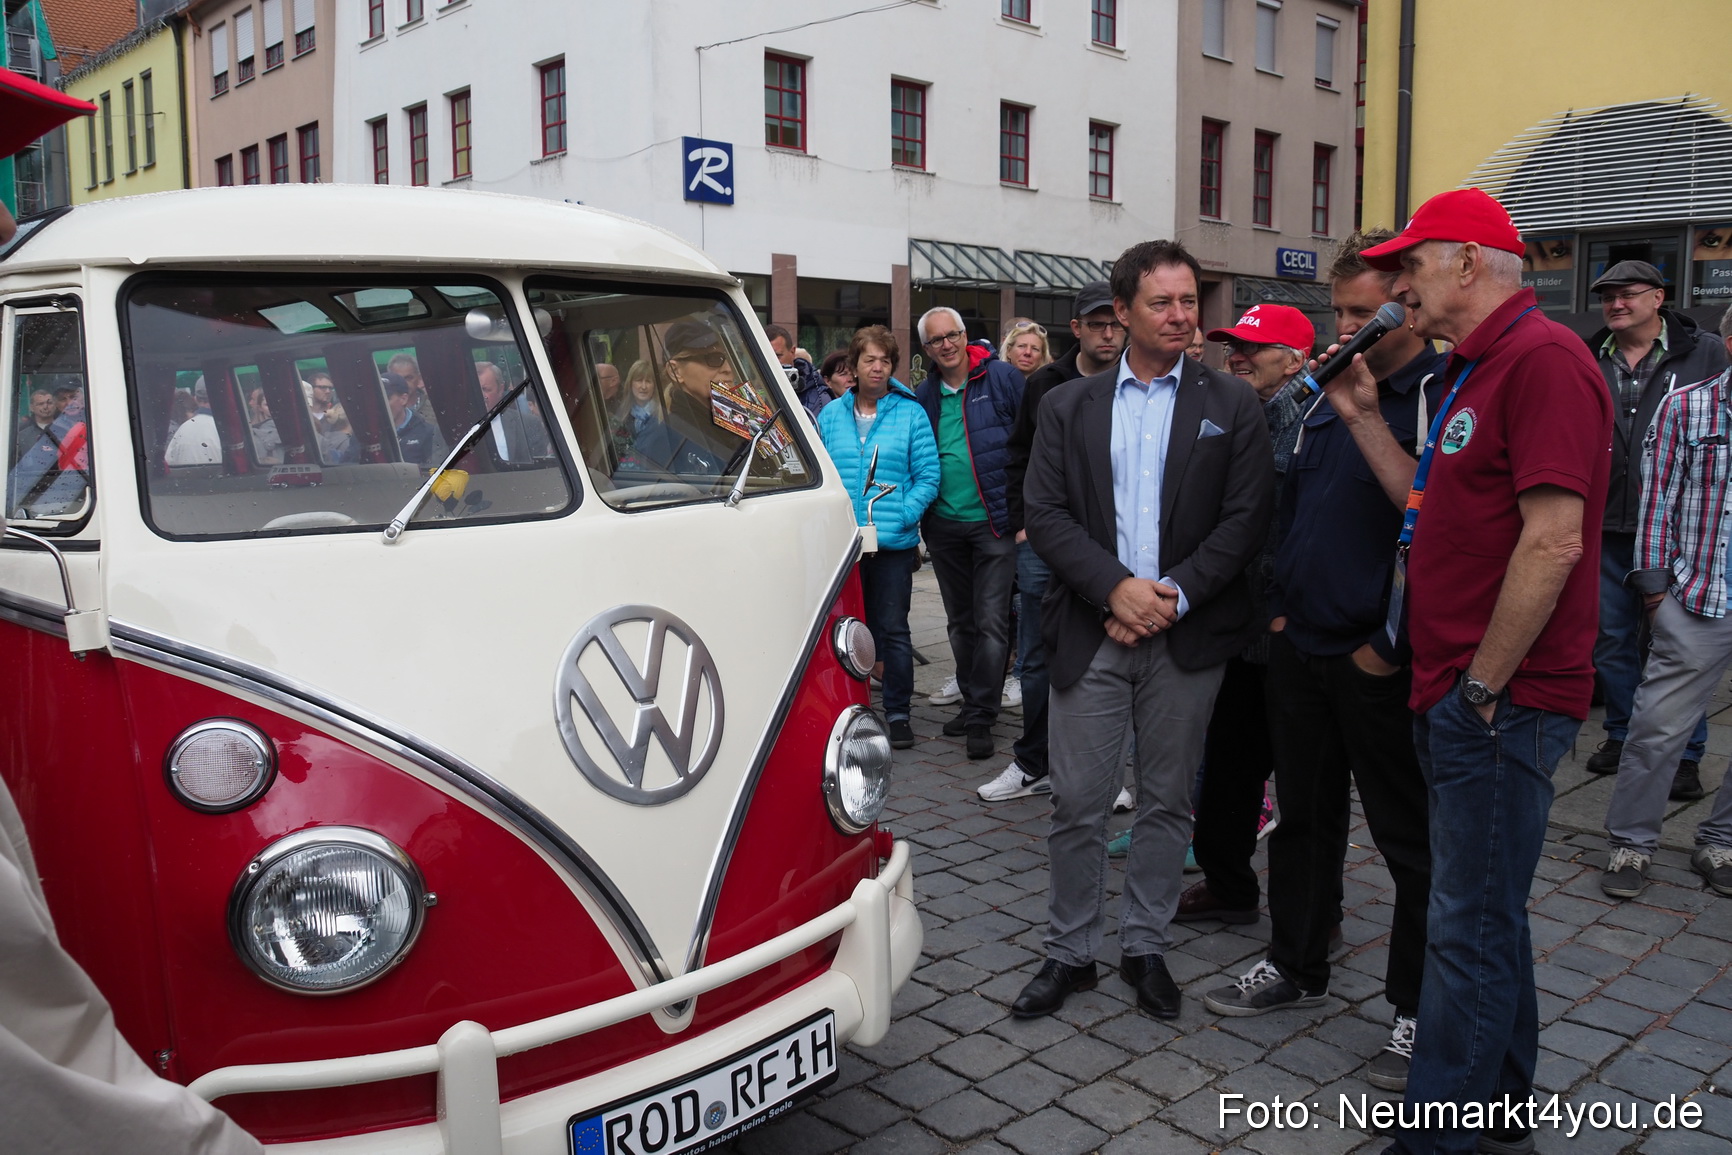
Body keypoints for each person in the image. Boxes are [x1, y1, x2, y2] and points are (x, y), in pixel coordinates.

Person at [1321, 189, 1609, 1155]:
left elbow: (1555, 542)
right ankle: (1506, 1107)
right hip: (1459, 687)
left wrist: (1480, 686)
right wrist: (1363, 416)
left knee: (1464, 925)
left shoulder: (1544, 362)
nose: (1397, 283)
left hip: (1500, 699)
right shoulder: (1475, 368)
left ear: (1470, 263)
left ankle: (1439, 1134)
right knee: (1486, 909)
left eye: (1412, 264)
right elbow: (1429, 503)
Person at [1205, 232, 1443, 1095]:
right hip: (1300, 640)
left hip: (1379, 655)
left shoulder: (1430, 394)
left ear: (1405, 305)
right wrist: (1278, 608)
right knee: (1301, 817)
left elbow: (1435, 522)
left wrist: (1388, 641)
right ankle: (1295, 962)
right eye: (1338, 313)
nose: (1346, 329)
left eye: (1361, 312)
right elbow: (1290, 507)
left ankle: (1417, 1009)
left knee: (1407, 838)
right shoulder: (1316, 394)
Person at [1014, 240, 1274, 1022]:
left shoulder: (1233, 404)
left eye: (1190, 300)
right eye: (1162, 303)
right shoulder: (1066, 405)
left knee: (1166, 803)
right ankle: (1070, 952)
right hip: (1093, 631)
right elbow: (1047, 515)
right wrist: (1115, 592)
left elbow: (1245, 519)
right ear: (1121, 312)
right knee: (1078, 803)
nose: (1181, 316)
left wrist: (1174, 596)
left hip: (1185, 636)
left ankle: (1144, 945)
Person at [1172, 304, 1312, 926]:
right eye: (1235, 345)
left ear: (1296, 358)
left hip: (1290, 629)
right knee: (1228, 771)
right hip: (1232, 627)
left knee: (1306, 781)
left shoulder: (1315, 420)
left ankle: (1313, 906)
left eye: (1255, 347)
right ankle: (1228, 886)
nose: (1239, 356)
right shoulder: (1231, 414)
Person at [1582, 260, 1728, 797]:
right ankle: (1623, 734)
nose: (1616, 304)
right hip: (1607, 523)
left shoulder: (1706, 351)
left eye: (1628, 294)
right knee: (1612, 640)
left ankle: (1684, 755)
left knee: (1679, 644)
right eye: (1608, 296)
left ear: (1659, 297)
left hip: (1680, 527)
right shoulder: (1589, 355)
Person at [1601, 306, 1732, 902]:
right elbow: (1657, 502)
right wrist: (1656, 589)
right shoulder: (1689, 406)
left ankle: (1720, 840)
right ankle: (1631, 842)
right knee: (1656, 728)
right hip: (1700, 594)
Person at [981, 281, 1126, 801]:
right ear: (1077, 328)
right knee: (1039, 655)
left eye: (1114, 323)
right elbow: (1018, 455)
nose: (1107, 333)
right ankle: (1034, 762)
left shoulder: (1142, 378)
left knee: (1116, 657)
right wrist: (1024, 522)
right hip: (1046, 538)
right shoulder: (1046, 382)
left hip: (1115, 543)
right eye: (1096, 324)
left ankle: (1108, 776)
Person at [818, 327, 940, 749]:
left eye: (885, 361)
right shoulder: (831, 416)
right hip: (847, 545)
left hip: (892, 544)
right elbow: (822, 478)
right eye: (869, 360)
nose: (877, 367)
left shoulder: (910, 413)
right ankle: (852, 709)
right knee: (848, 629)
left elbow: (928, 475)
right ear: (852, 367)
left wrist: (904, 515)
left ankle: (899, 713)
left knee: (893, 629)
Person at [914, 307, 1026, 760]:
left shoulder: (1001, 378)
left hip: (994, 523)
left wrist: (1024, 517)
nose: (946, 344)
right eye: (936, 339)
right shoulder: (925, 394)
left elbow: (1028, 445)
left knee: (992, 623)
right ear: (927, 349)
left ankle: (983, 714)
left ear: (965, 337)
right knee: (960, 623)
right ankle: (972, 696)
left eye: (953, 335)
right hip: (944, 525)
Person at [632, 318, 747, 478]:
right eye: (713, 359)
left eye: (730, 359)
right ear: (675, 372)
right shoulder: (661, 436)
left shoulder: (734, 419)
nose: (728, 369)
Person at [476, 360, 550, 463]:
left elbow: (539, 470)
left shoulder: (529, 424)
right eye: (476, 390)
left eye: (486, 389)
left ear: (501, 389)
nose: (481, 396)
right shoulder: (456, 429)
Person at [387, 352, 449, 461]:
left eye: (408, 378)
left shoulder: (437, 410)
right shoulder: (381, 412)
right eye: (398, 378)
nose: (404, 384)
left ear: (419, 379)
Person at [766, 324, 829, 418]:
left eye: (777, 356)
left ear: (792, 352)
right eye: (765, 357)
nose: (771, 362)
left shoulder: (818, 397)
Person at [384, 372, 439, 466]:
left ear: (403, 399)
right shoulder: (365, 435)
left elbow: (435, 472)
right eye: (378, 399)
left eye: (386, 398)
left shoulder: (428, 433)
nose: (381, 404)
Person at [244, 386, 284, 465]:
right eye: (267, 405)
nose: (272, 408)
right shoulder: (248, 430)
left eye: (275, 403)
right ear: (260, 408)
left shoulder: (292, 429)